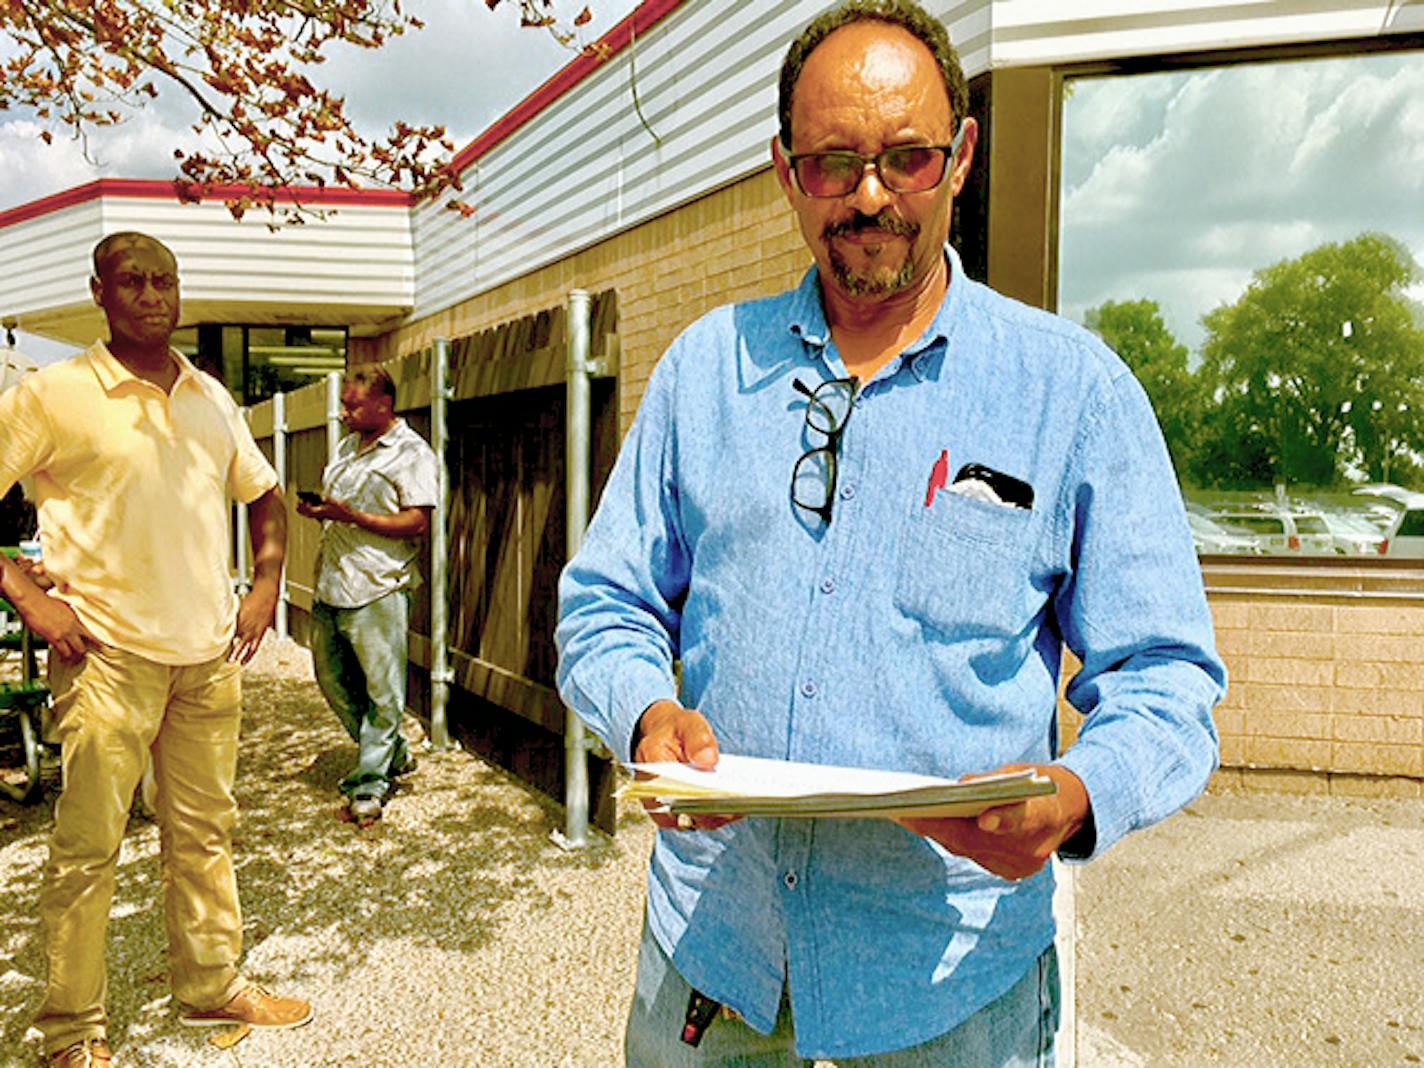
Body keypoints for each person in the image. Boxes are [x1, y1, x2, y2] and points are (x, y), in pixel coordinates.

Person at [555, 2, 1226, 1064]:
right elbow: (607, 601)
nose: (869, 197)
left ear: (958, 158)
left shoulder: (1071, 395)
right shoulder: (703, 373)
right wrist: (642, 713)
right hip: (714, 963)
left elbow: (1166, 678)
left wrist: (1077, 794)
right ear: (784, 171)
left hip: (948, 994)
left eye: (904, 157)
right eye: (831, 163)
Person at [0, 231, 312, 1067]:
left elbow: (266, 496)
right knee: (88, 847)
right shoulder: (52, 395)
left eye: (164, 281)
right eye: (131, 281)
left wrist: (263, 588)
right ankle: (69, 1031)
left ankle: (209, 983)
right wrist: (33, 603)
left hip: (206, 660)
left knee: (206, 831)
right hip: (104, 658)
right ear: (98, 293)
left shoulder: (210, 397)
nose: (151, 296)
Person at [296, 366, 437, 824]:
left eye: (353, 405)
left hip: (378, 585)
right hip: (332, 582)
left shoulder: (411, 454)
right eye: (344, 404)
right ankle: (392, 750)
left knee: (382, 692)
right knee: (333, 681)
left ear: (384, 404)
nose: (344, 413)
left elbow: (418, 522)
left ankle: (371, 784)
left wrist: (352, 516)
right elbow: (343, 510)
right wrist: (324, 512)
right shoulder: (345, 448)